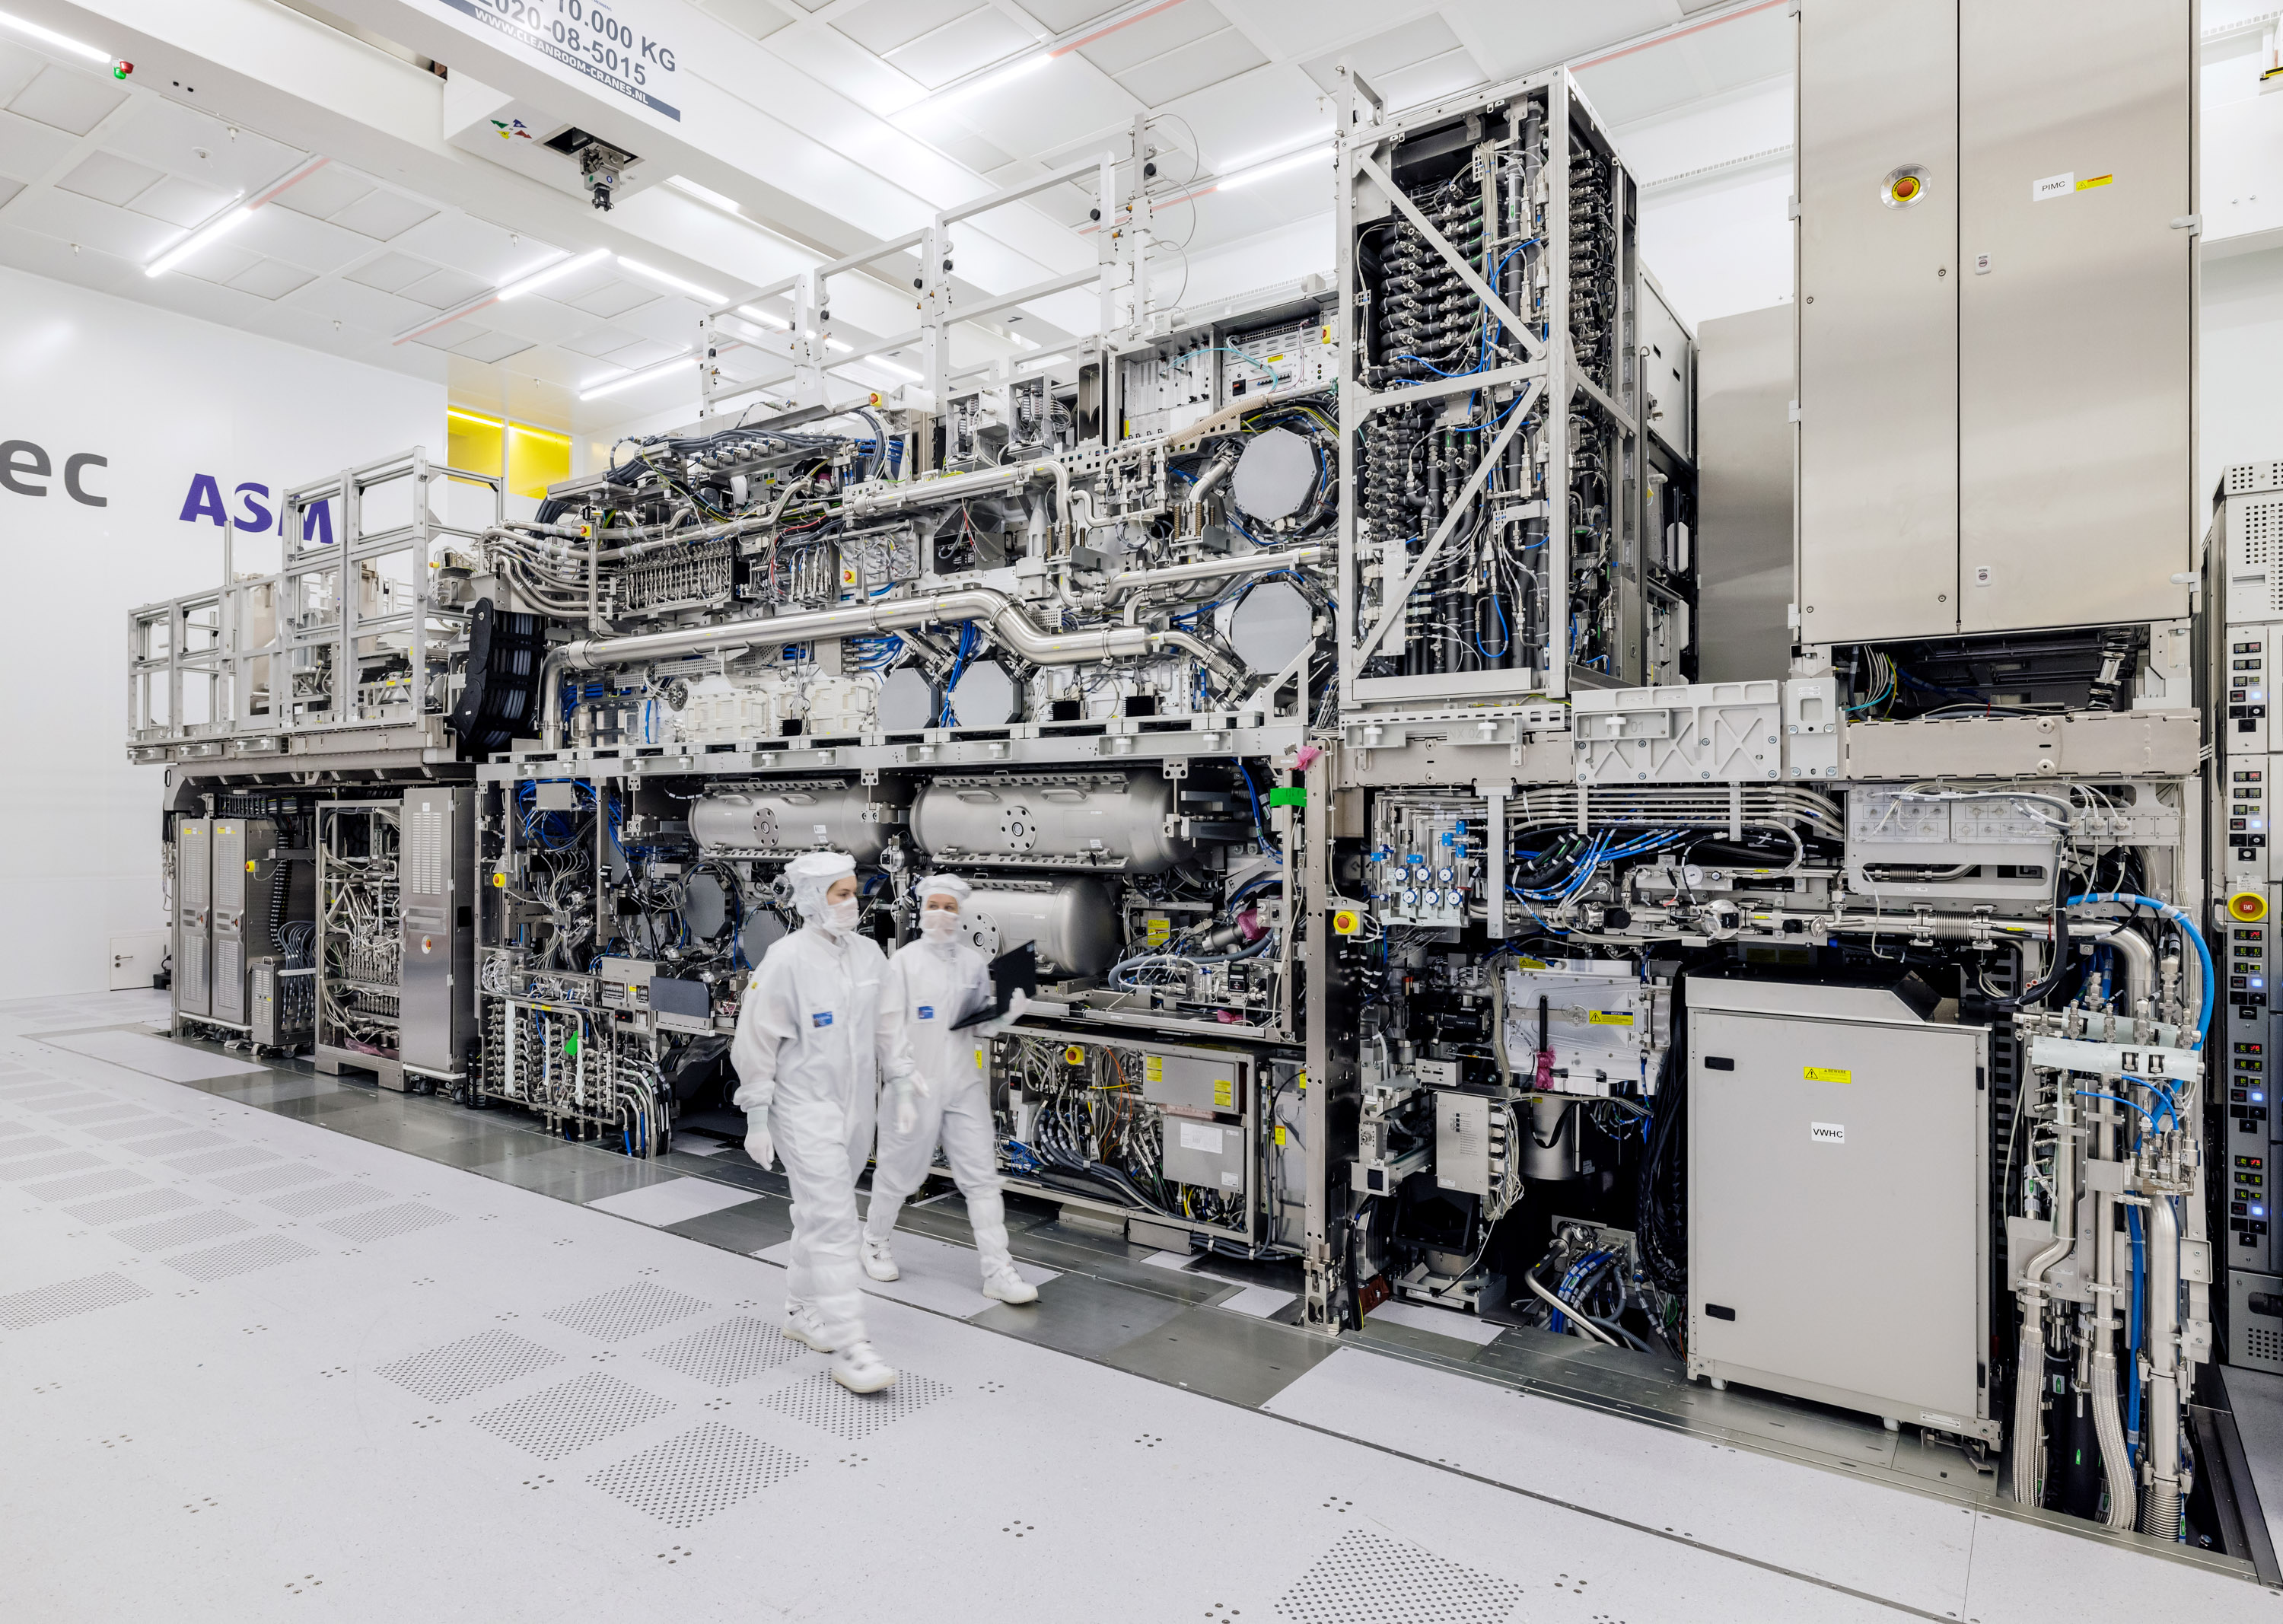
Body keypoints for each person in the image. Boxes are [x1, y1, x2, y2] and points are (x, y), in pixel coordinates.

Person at [732, 849, 918, 1393]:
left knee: (817, 1215)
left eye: (854, 893)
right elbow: (755, 1043)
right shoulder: (785, 961)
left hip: (854, 1108)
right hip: (800, 1108)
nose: (852, 904)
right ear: (813, 900)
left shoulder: (867, 958)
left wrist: (904, 1080)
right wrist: (758, 1115)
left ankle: (799, 1309)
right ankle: (851, 1347)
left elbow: (890, 1026)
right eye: (841, 894)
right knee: (837, 1223)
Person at [862, 874, 1041, 1307]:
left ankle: (998, 1270)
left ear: (960, 914)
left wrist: (1006, 1015)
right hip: (913, 1086)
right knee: (898, 1173)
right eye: (934, 906)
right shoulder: (903, 963)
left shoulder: (972, 964)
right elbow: (884, 1028)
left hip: (962, 1085)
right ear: (922, 910)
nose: (941, 914)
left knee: (982, 1178)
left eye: (949, 907)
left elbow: (977, 1022)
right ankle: (873, 1241)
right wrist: (901, 1078)